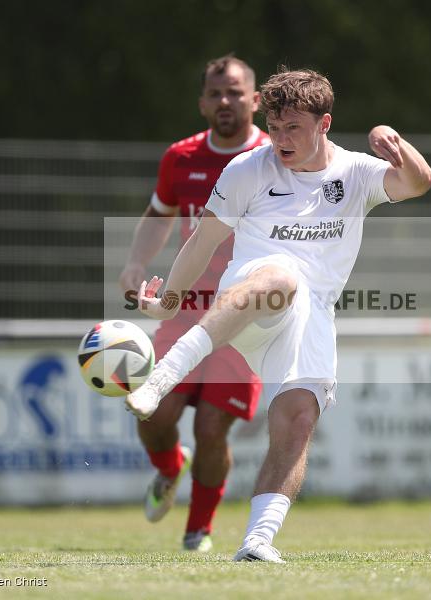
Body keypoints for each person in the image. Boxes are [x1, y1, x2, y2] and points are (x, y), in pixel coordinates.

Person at [125, 67, 431, 562]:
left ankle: (256, 542)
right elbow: (202, 242)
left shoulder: (356, 172)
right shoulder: (248, 169)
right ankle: (162, 379)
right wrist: (167, 302)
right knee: (282, 278)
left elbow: (419, 183)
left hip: (311, 318)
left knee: (297, 420)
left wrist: (396, 142)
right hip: (251, 298)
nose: (280, 139)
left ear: (324, 123)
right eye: (274, 127)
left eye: (293, 127)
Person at [119, 54, 268, 553]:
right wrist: (136, 264)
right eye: (215, 92)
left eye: (235, 91)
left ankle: (197, 532)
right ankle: (168, 466)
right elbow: (158, 215)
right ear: (203, 102)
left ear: (256, 98)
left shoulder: (276, 155)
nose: (225, 100)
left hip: (245, 317)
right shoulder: (180, 158)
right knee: (155, 416)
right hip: (183, 309)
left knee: (211, 427)